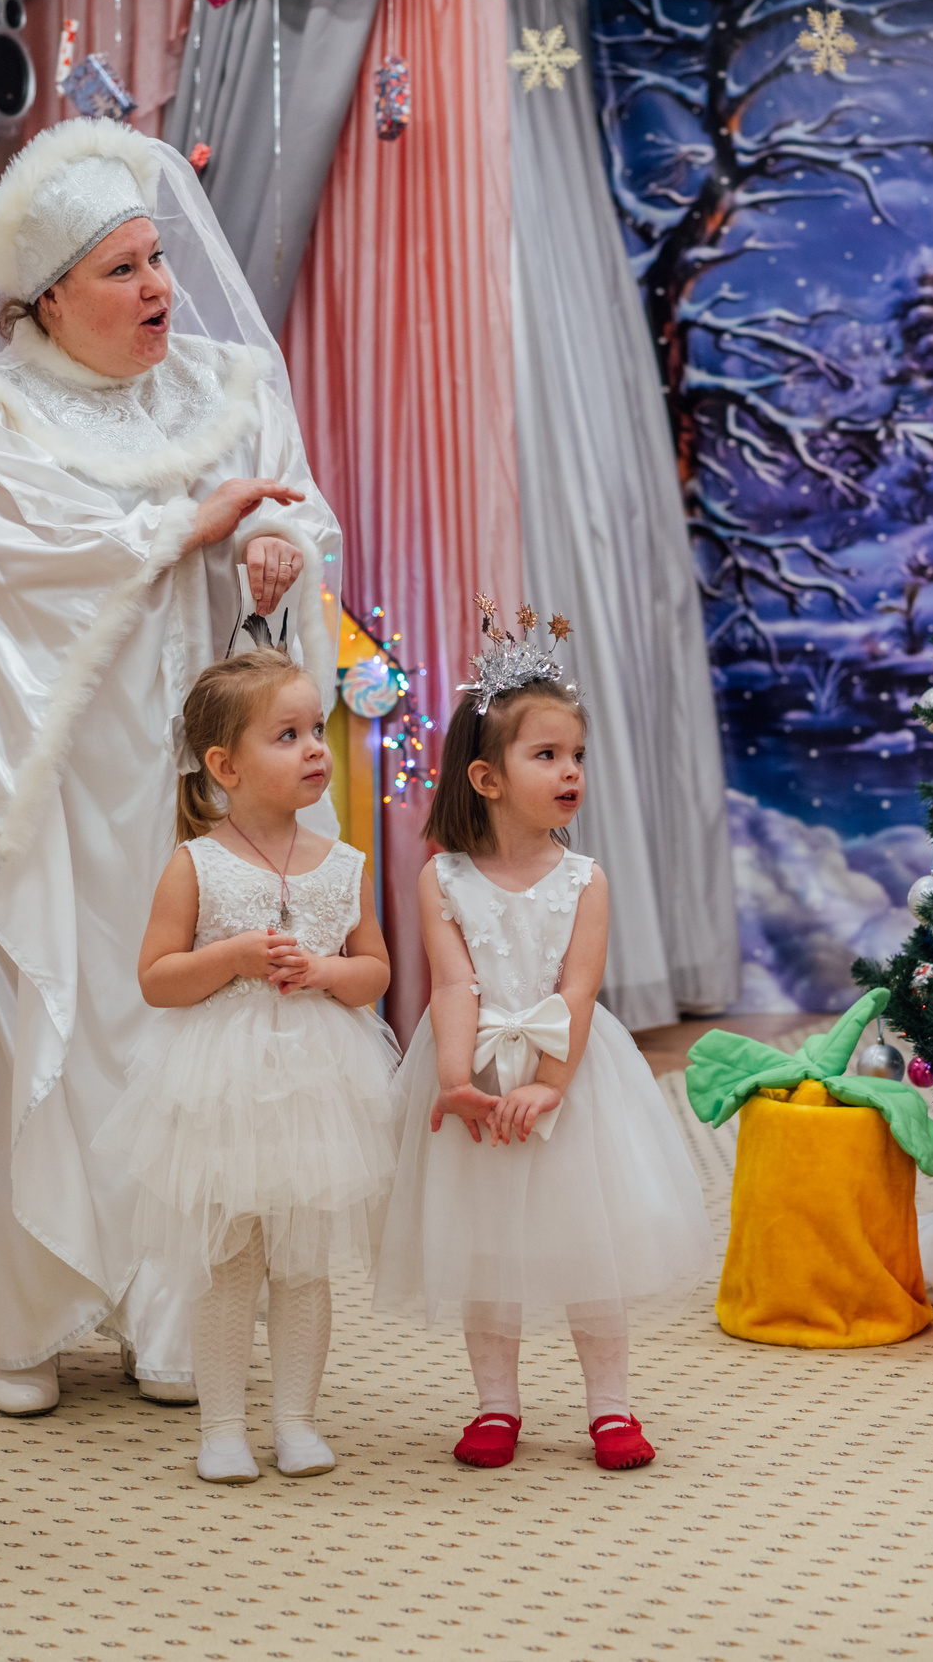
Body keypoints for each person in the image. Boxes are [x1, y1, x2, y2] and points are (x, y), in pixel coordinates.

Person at [0, 118, 344, 1415]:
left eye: (158, 260)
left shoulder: (228, 387)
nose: (158, 289)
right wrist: (187, 526)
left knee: (186, 1017)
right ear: (48, 296)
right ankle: (26, 1313)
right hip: (66, 792)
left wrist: (272, 550)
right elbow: (12, 576)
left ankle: (172, 1307)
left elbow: (293, 507)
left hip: (199, 779)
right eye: (122, 270)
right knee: (67, 1002)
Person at [372, 608, 711, 1471]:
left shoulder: (585, 881)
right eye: (547, 755)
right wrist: (458, 1080)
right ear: (486, 778)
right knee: (486, 1245)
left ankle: (611, 1407)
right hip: (480, 1075)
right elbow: (453, 984)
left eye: (577, 756)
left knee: (590, 1241)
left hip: (571, 1074)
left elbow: (578, 991)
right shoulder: (441, 878)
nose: (570, 772)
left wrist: (551, 1084)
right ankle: (496, 1405)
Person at [94, 651, 399, 1483]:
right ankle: (222, 1428)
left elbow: (375, 971)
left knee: (302, 1263)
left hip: (316, 1087)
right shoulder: (196, 863)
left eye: (316, 729)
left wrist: (327, 972)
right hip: (224, 1086)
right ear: (225, 767)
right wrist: (230, 957)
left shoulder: (343, 863)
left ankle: (296, 1420)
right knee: (228, 1261)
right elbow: (157, 979)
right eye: (287, 735)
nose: (315, 748)